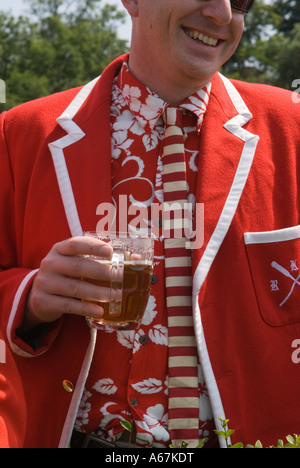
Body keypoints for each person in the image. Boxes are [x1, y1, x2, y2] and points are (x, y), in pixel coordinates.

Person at [0, 0, 299, 448]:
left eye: (241, 2)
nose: (221, 14)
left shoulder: (292, 128)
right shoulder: (21, 133)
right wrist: (30, 296)